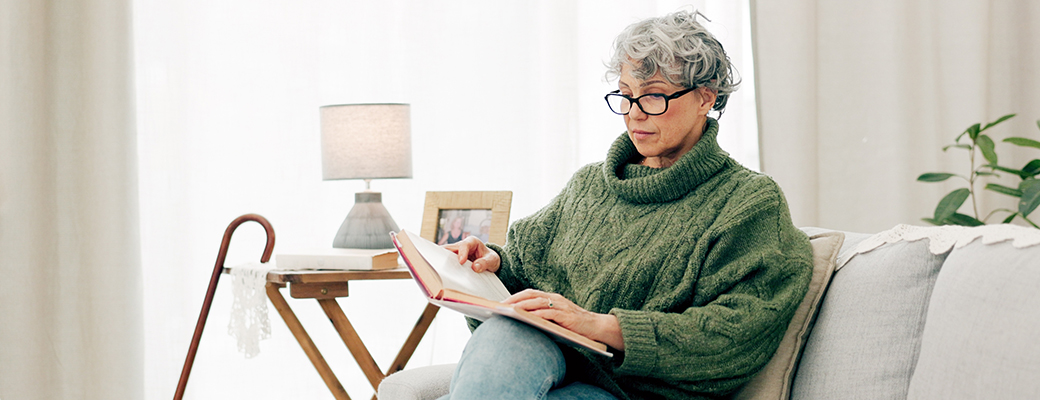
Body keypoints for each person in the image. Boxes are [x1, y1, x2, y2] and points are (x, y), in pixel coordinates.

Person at [441, 10, 813, 400]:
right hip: (553, 358)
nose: (634, 113)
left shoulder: (748, 203)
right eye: (625, 94)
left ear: (706, 97)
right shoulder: (589, 184)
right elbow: (524, 266)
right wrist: (490, 264)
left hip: (635, 392)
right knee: (505, 331)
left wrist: (599, 326)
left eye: (653, 95)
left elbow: (736, 333)